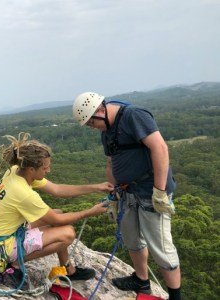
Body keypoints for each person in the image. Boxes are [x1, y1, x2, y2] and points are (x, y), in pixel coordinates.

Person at [72, 92, 181, 300]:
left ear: (101, 110)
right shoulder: (107, 130)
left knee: (160, 246)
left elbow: (160, 148)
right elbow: (111, 162)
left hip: (150, 191)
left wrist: (159, 190)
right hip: (127, 191)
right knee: (131, 238)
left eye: (90, 122)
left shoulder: (133, 116)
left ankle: (176, 296)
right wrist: (114, 193)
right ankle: (141, 280)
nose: (91, 127)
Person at [0, 133, 113, 287]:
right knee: (67, 234)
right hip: (3, 247)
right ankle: (13, 264)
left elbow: (57, 190)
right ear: (32, 169)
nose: (48, 170)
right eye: (45, 168)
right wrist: (90, 212)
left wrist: (96, 187)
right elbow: (57, 221)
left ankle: (68, 270)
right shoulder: (24, 193)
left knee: (57, 212)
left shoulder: (16, 171)